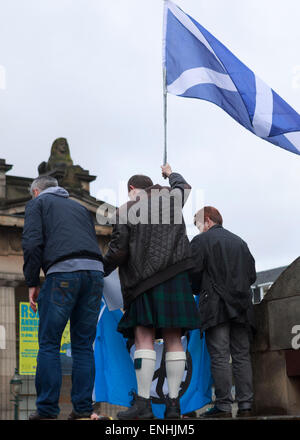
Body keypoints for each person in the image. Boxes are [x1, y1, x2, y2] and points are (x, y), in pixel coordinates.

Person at [103, 163, 199, 420]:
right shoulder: (171, 200)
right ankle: (174, 405)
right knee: (174, 338)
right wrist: (170, 173)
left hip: (144, 281)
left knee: (143, 336)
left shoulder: (126, 210)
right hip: (176, 277)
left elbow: (119, 251)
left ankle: (144, 404)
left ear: (132, 189)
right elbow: (184, 186)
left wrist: (100, 269)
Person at [22, 175, 105, 420]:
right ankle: (82, 410)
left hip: (62, 274)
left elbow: (32, 243)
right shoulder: (80, 209)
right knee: (83, 346)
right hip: (94, 275)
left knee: (49, 343)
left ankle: (47, 410)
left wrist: (32, 282)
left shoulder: (37, 205)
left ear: (36, 192)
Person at [190, 206, 256, 418]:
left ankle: (224, 406)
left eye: (198, 224)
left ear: (207, 221)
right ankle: (246, 404)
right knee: (241, 356)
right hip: (242, 307)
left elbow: (193, 275)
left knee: (219, 356)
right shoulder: (240, 242)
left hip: (215, 306)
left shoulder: (201, 241)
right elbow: (252, 275)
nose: (198, 229)